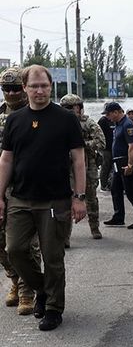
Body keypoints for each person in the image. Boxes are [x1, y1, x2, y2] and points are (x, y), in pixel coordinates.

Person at [0, 65, 87, 331]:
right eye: (34, 86)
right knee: (13, 250)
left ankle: (53, 308)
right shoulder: (15, 120)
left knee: (52, 257)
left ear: (51, 87)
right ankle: (43, 290)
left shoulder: (65, 119)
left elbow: (78, 159)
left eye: (44, 86)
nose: (39, 91)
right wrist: (0, 195)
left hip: (55, 200)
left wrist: (79, 197)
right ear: (25, 89)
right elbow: (6, 159)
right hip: (20, 199)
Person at [0, 67, 38, 316]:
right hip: (1, 184)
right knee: (2, 243)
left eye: (15, 88)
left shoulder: (36, 113)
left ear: (24, 87)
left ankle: (28, 289)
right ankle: (14, 279)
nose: (11, 93)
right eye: (6, 89)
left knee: (25, 243)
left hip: (26, 187)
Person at [60, 94, 105, 245]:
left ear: (79, 108)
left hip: (88, 164)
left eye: (70, 108)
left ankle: (94, 228)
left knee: (91, 198)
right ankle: (65, 236)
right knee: (66, 200)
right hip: (66, 166)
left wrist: (79, 145)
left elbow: (101, 142)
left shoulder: (88, 123)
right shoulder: (59, 123)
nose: (67, 111)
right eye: (64, 108)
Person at [102, 102, 133, 230]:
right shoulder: (118, 125)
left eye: (108, 114)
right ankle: (118, 217)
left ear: (116, 112)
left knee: (131, 191)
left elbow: (132, 146)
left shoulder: (128, 125)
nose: (107, 117)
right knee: (115, 189)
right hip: (118, 162)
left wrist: (130, 165)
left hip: (126, 163)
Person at [98, 109, 115, 191]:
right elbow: (98, 134)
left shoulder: (114, 121)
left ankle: (110, 183)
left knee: (113, 167)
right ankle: (103, 185)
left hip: (114, 147)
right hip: (105, 149)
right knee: (105, 166)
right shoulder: (102, 121)